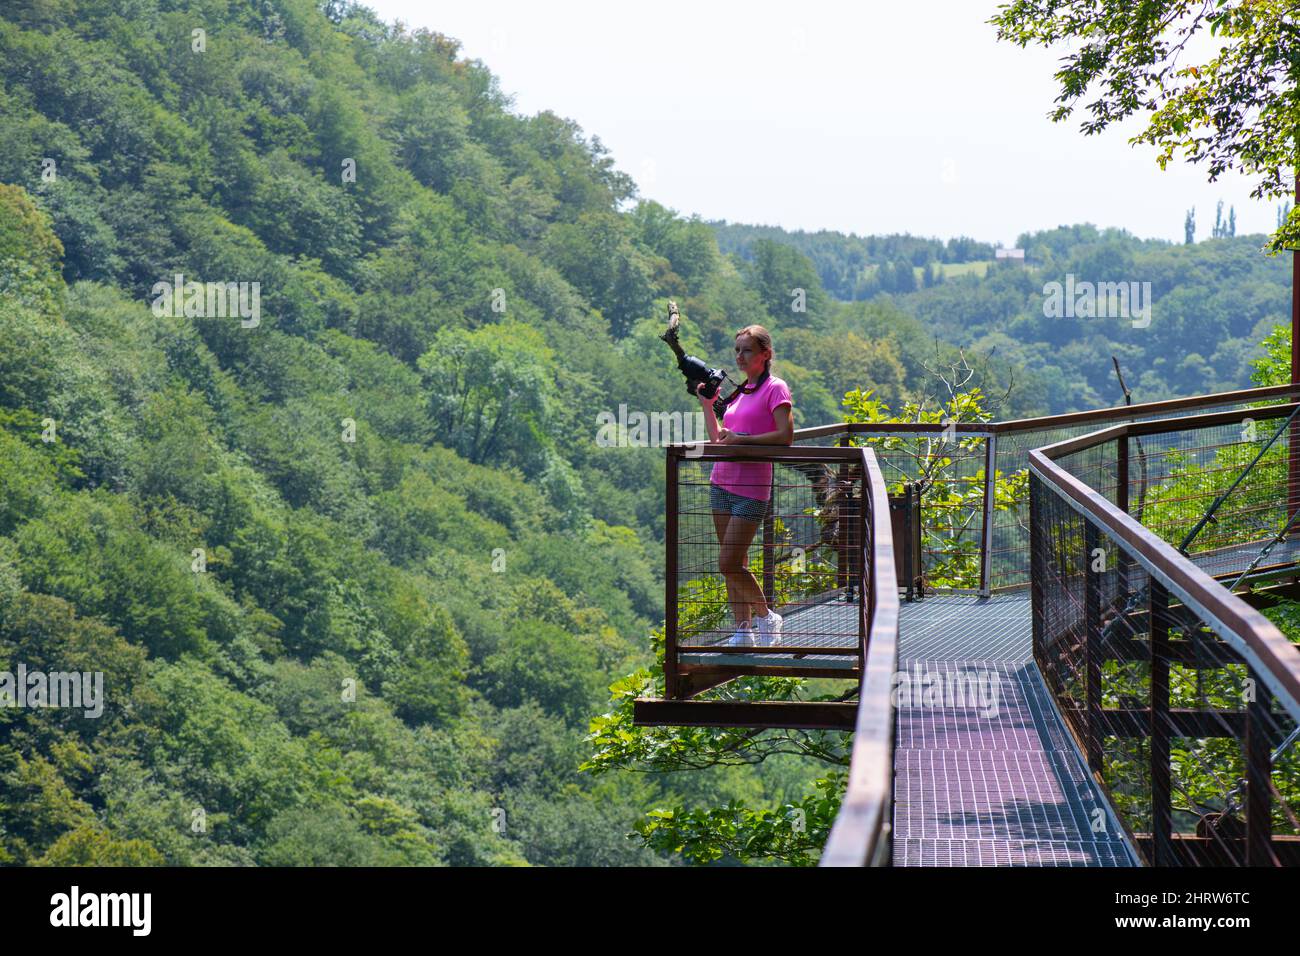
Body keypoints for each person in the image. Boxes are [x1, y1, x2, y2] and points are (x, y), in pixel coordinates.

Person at [695, 324, 794, 647]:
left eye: (747, 350)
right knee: (735, 563)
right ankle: (743, 630)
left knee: (728, 562)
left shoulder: (775, 388)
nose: (739, 356)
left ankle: (766, 616)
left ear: (765, 355)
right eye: (737, 350)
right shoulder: (741, 392)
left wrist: (744, 440)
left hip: (751, 488)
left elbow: (785, 436)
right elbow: (719, 440)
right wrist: (708, 406)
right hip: (721, 482)